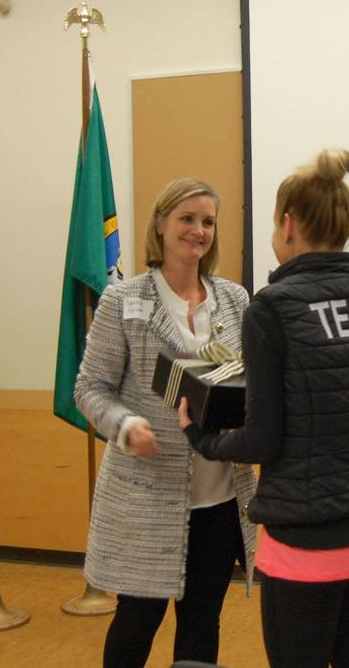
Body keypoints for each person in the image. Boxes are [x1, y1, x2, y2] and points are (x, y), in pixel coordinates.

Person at [179, 149, 349, 668]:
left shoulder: (273, 308)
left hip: (305, 545)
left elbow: (263, 440)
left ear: (289, 224)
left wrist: (200, 437)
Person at [74, 178, 257, 668]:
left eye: (208, 222)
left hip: (221, 497)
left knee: (202, 623)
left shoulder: (235, 300)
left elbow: (247, 381)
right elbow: (89, 388)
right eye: (188, 219)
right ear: (160, 223)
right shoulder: (123, 300)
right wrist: (126, 425)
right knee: (137, 622)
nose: (199, 231)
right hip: (147, 496)